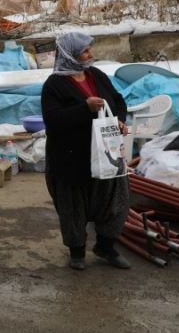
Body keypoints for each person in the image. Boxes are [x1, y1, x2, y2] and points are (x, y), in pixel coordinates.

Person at [41, 31, 131, 271]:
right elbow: (53, 120)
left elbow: (118, 101)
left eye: (90, 49)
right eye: (85, 51)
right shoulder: (54, 85)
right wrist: (84, 107)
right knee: (73, 206)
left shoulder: (97, 75)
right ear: (71, 54)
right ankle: (77, 251)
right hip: (71, 157)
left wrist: (120, 120)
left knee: (114, 201)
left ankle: (106, 246)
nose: (91, 54)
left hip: (105, 152)